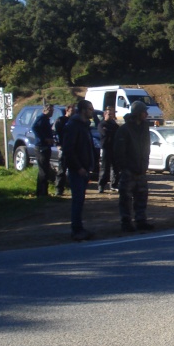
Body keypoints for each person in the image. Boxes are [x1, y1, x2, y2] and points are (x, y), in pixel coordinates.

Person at [114, 100, 153, 232]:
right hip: (129, 170)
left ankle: (141, 220)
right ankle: (126, 222)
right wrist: (125, 167)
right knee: (125, 197)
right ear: (137, 113)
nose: (146, 114)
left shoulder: (145, 128)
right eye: (144, 112)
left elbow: (147, 148)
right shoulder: (124, 129)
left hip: (141, 169)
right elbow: (119, 152)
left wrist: (145, 164)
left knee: (142, 196)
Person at [62, 99, 95, 241]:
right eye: (89, 109)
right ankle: (76, 230)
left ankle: (79, 227)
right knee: (77, 200)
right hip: (77, 170)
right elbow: (69, 150)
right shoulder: (73, 126)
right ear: (83, 110)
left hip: (84, 169)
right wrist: (78, 167)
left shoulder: (84, 126)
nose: (92, 111)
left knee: (80, 200)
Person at [32, 104, 56, 197]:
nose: (51, 112)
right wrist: (43, 138)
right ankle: (41, 193)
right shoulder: (41, 118)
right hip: (41, 147)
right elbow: (34, 128)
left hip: (46, 146)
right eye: (50, 111)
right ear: (45, 110)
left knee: (45, 169)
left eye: (52, 111)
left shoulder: (46, 120)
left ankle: (42, 192)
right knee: (43, 170)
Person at [97, 106, 119, 193]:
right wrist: (110, 132)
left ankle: (114, 185)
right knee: (104, 168)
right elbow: (104, 133)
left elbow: (118, 134)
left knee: (115, 168)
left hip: (114, 148)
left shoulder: (115, 125)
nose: (111, 116)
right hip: (105, 148)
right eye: (109, 114)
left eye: (112, 114)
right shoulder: (101, 124)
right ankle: (101, 185)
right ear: (105, 114)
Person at [53, 104, 74, 196]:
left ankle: (72, 187)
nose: (73, 112)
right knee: (62, 169)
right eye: (72, 110)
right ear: (67, 110)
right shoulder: (60, 120)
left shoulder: (74, 121)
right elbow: (54, 133)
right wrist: (58, 144)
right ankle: (59, 189)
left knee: (73, 169)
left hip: (73, 148)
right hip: (63, 147)